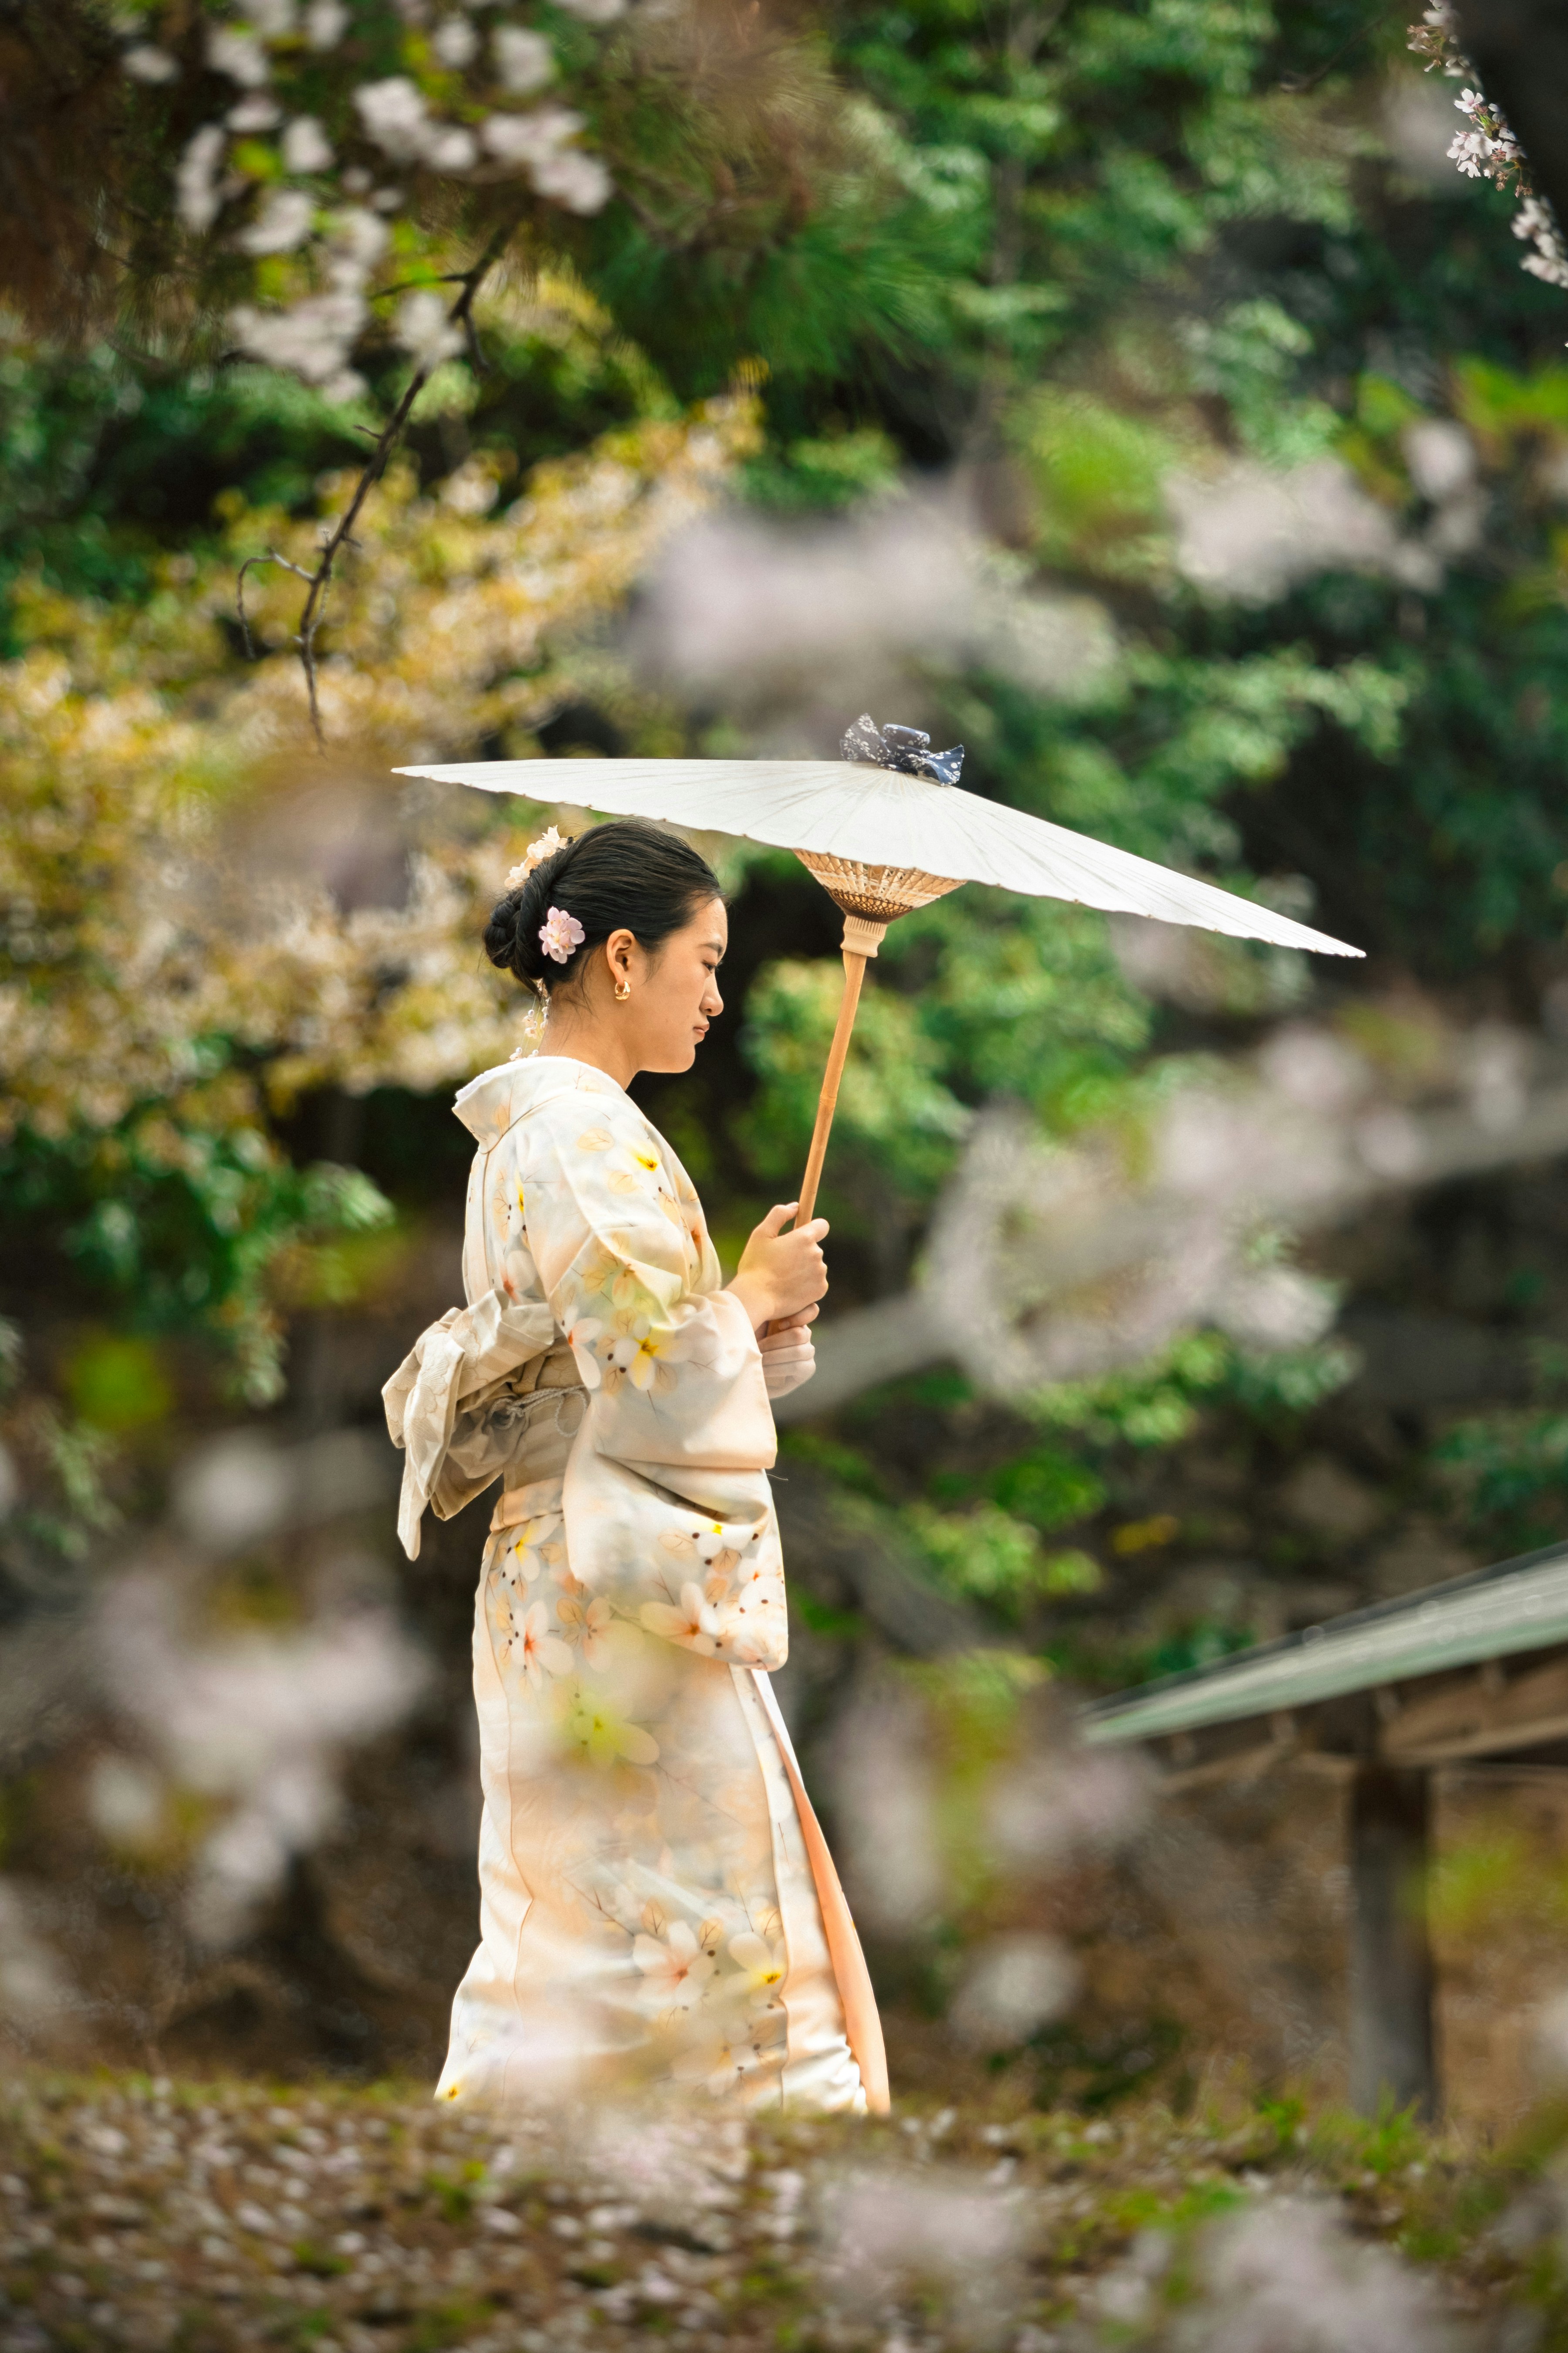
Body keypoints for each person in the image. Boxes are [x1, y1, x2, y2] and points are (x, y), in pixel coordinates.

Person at [383, 817, 889, 2116]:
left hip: (572, 1570)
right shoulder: (580, 1134)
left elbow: (619, 1368)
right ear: (619, 959)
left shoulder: (547, 1130)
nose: (718, 994)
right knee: (688, 1918)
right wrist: (748, 1297)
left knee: (588, 1922)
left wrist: (752, 1316)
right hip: (611, 1589)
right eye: (704, 962)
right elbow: (654, 1374)